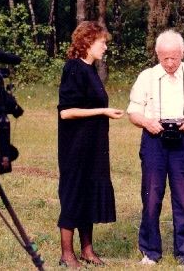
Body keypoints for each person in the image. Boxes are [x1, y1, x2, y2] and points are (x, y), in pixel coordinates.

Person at [127, 29, 184, 266]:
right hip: (154, 138)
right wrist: (147, 122)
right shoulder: (146, 77)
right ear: (157, 54)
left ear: (183, 53)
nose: (169, 63)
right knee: (152, 195)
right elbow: (133, 111)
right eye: (164, 58)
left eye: (174, 57)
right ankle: (150, 251)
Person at [57, 21, 124, 269]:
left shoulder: (91, 69)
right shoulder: (73, 69)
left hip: (94, 147)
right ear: (87, 42)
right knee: (73, 194)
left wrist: (102, 113)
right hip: (75, 147)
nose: (105, 47)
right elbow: (66, 112)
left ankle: (87, 250)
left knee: (89, 195)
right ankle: (67, 254)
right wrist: (103, 111)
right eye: (102, 42)